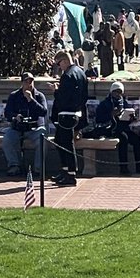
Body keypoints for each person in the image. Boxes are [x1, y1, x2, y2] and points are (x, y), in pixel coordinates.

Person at [90, 81, 140, 176]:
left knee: (137, 140)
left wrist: (131, 118)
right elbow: (98, 119)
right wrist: (111, 114)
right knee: (124, 139)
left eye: (119, 92)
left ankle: (139, 167)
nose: (118, 94)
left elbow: (127, 118)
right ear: (111, 92)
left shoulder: (124, 102)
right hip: (110, 129)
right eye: (115, 92)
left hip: (123, 127)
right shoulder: (105, 103)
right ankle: (123, 168)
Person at [51, 49, 88, 185]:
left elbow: (63, 98)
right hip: (76, 113)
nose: (59, 66)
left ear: (65, 61)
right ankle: (65, 170)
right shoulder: (81, 73)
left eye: (59, 63)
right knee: (60, 141)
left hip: (66, 113)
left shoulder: (67, 75)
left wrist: (56, 91)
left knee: (66, 144)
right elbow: (84, 95)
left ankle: (71, 173)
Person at [2, 72, 47, 177]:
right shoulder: (14, 96)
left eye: (31, 81)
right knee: (7, 139)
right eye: (26, 82)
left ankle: (38, 168)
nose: (29, 84)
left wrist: (31, 100)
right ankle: (14, 165)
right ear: (22, 83)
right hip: (18, 128)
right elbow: (7, 113)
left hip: (34, 128)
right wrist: (15, 117)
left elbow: (43, 112)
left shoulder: (39, 96)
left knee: (42, 139)